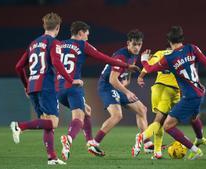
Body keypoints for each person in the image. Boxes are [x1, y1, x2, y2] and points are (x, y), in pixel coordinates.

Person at [138, 26, 206, 160]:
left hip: (189, 97)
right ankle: (200, 138)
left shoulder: (169, 58)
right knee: (193, 118)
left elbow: (148, 68)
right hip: (200, 92)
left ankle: (195, 151)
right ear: (182, 38)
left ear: (169, 41)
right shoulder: (192, 48)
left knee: (167, 126)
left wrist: (143, 59)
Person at [56, 21, 140, 161]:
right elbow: (104, 58)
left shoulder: (59, 44)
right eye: (87, 34)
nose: (87, 37)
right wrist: (126, 65)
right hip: (74, 86)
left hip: (58, 87)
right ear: (81, 32)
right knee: (78, 116)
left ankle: (90, 142)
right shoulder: (83, 45)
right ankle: (68, 139)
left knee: (87, 110)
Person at [10, 12, 82, 165]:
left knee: (46, 123)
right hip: (46, 86)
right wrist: (71, 80)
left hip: (33, 86)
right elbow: (56, 63)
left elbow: (18, 67)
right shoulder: (54, 43)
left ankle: (52, 158)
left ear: (44, 26)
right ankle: (20, 126)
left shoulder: (33, 43)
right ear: (57, 27)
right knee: (53, 123)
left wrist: (26, 85)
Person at [87, 29, 154, 157]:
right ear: (128, 43)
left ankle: (147, 144)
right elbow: (112, 79)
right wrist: (127, 92)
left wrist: (126, 82)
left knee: (142, 109)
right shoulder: (121, 56)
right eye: (134, 44)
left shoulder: (133, 55)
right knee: (117, 115)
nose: (137, 47)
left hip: (116, 86)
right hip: (106, 86)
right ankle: (94, 144)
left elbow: (126, 74)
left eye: (139, 44)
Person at [132, 48, 181, 159]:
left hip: (157, 88)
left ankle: (157, 152)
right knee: (159, 122)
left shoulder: (160, 53)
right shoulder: (180, 55)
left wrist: (140, 76)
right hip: (170, 90)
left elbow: (149, 66)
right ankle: (142, 137)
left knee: (159, 121)